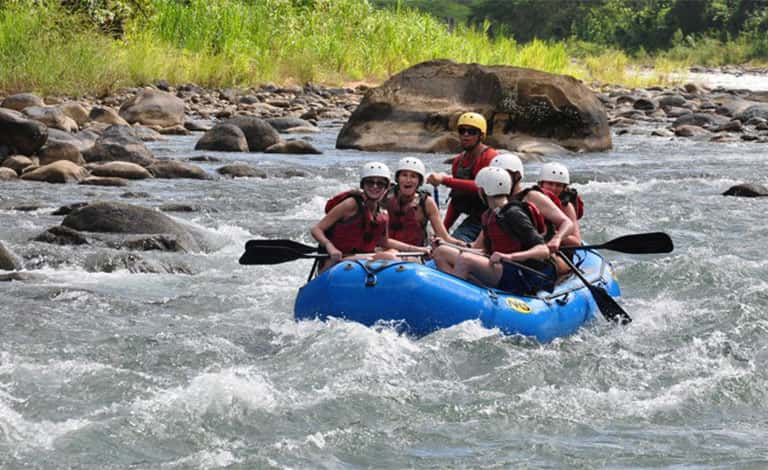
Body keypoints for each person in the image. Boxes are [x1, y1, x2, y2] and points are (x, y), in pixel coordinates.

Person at [431, 167, 556, 295]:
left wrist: (510, 257)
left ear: (484, 191)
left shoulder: (514, 213)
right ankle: (460, 293)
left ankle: (453, 297)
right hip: (499, 268)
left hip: (520, 273)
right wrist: (446, 244)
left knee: (465, 259)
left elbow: (543, 251)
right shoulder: (489, 215)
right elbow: (484, 252)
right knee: (441, 252)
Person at [489, 152, 574, 274]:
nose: (498, 180)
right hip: (512, 259)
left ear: (517, 176)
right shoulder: (496, 201)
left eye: (503, 175)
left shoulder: (532, 196)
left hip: (542, 259)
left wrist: (557, 239)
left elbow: (567, 223)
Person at [310, 162, 397, 272]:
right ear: (363, 185)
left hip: (361, 260)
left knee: (393, 253)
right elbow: (316, 229)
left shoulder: (383, 213)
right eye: (370, 182)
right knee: (381, 257)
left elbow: (384, 242)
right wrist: (330, 247)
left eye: (380, 184)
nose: (375, 187)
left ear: (386, 187)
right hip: (336, 262)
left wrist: (417, 249)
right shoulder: (351, 204)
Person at [426, 112, 498, 243]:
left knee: (456, 245)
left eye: (471, 131)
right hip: (476, 218)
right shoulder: (458, 161)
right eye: (462, 131)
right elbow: (457, 199)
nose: (466, 135)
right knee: (448, 242)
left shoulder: (489, 157)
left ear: (481, 136)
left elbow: (482, 187)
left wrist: (445, 180)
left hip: (495, 217)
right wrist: (443, 229)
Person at [383, 157, 466, 254]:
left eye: (413, 176)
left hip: (416, 254)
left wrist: (461, 244)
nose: (408, 180)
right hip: (387, 251)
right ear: (398, 178)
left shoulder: (427, 202)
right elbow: (379, 238)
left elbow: (444, 237)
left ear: (419, 181)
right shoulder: (385, 198)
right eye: (404, 175)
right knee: (390, 253)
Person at [538, 162, 583, 247]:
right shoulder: (532, 199)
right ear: (541, 184)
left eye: (558, 185)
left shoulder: (566, 207)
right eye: (550, 184)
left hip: (559, 249)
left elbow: (576, 242)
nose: (553, 188)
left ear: (564, 188)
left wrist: (554, 234)